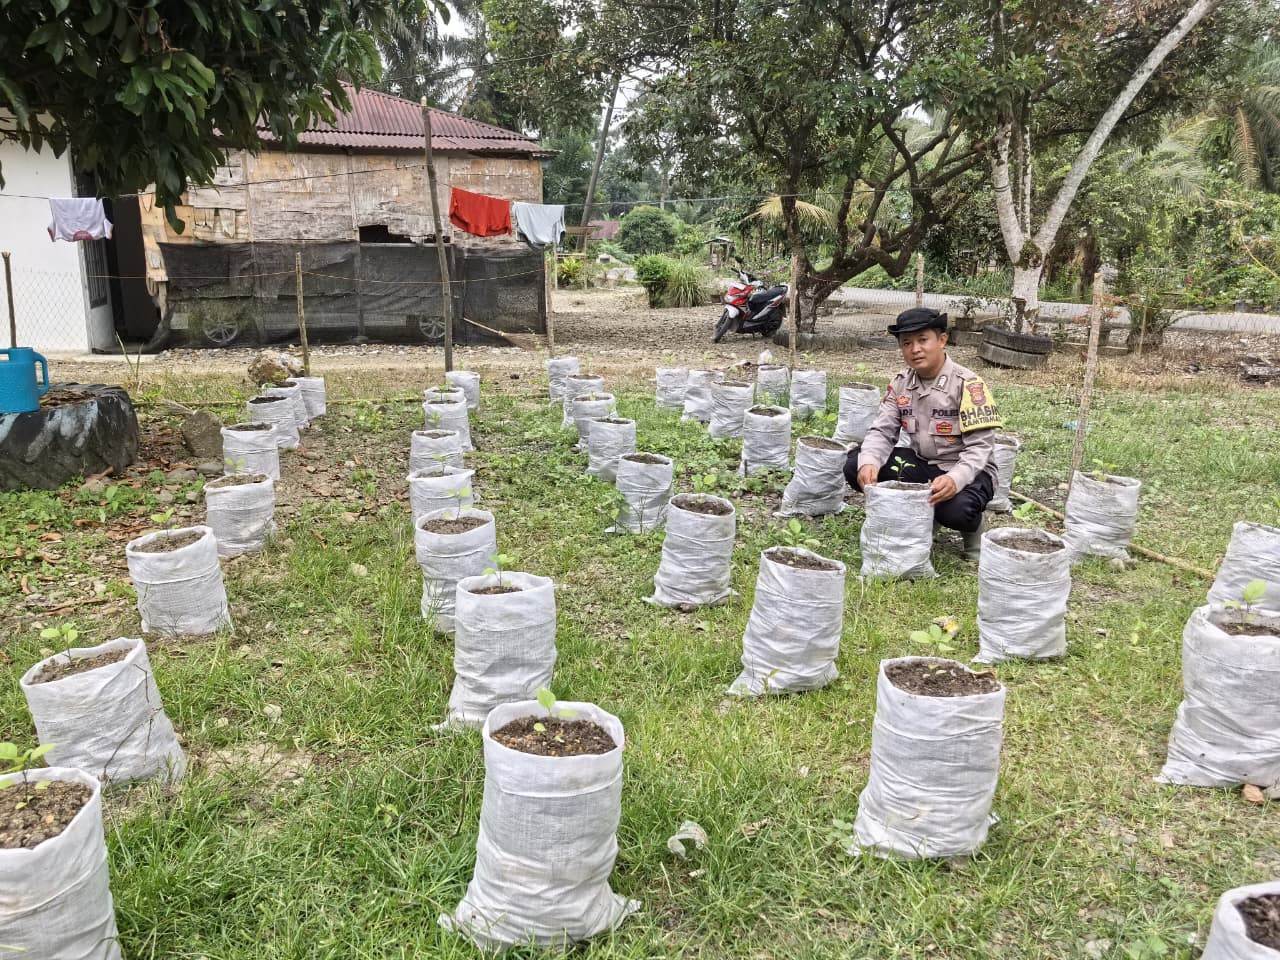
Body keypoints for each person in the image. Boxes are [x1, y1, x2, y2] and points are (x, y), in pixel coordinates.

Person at [844, 306, 1002, 560]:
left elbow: (980, 448)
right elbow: (882, 431)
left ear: (942, 340)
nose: (915, 349)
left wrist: (955, 479)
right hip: (923, 465)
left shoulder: (968, 385)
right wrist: (869, 463)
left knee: (957, 510)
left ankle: (972, 530)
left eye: (922, 340)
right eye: (907, 343)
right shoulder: (901, 384)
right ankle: (916, 518)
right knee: (854, 464)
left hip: (969, 472)